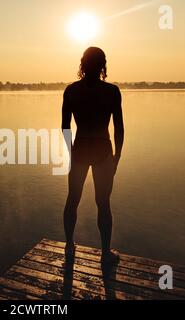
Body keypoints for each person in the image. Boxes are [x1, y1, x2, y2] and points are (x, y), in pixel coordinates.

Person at [62, 47, 124, 265]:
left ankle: (69, 246)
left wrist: (71, 153)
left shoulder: (71, 91)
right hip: (103, 151)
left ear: (83, 64)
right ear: (102, 65)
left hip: (79, 151)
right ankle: (105, 253)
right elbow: (119, 128)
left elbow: (65, 127)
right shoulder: (112, 91)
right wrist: (117, 156)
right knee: (103, 203)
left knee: (73, 200)